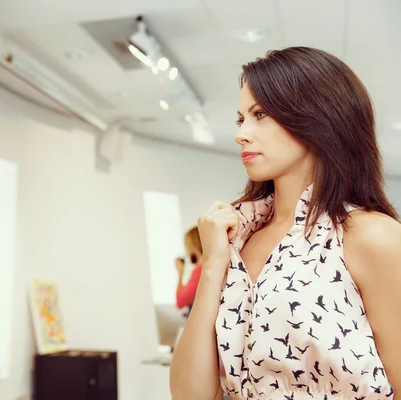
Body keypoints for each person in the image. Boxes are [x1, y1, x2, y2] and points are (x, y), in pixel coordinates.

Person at [169, 46, 401, 400]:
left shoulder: (371, 237)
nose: (241, 134)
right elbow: (190, 396)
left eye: (260, 114)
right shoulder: (239, 237)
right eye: (240, 118)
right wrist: (214, 263)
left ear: (318, 118)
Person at [175, 227, 204, 311]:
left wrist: (180, 273)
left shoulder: (200, 270)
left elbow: (180, 302)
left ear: (192, 246)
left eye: (186, 245)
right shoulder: (210, 265)